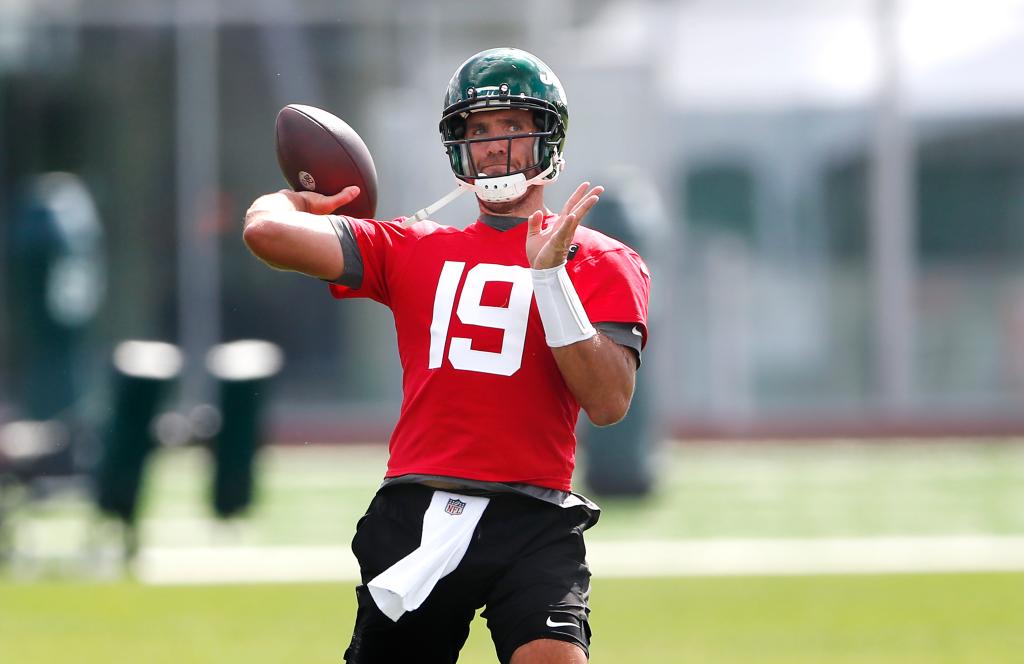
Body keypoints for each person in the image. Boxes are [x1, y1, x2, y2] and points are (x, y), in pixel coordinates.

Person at [243, 47, 650, 664]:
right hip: (420, 509)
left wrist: (549, 281)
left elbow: (609, 401)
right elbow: (265, 234)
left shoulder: (599, 257)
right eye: (477, 130)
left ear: (548, 134)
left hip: (535, 514)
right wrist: (295, 200)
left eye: (511, 125)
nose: (493, 146)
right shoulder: (413, 244)